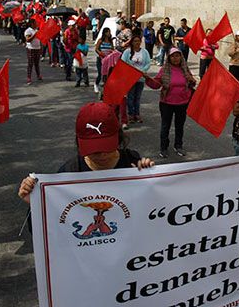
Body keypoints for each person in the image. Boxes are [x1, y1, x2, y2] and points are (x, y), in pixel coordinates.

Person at [17, 102, 155, 203]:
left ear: (119, 138)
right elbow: (49, 228)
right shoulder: (70, 172)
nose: (102, 155)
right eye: (94, 150)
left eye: (107, 147)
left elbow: (153, 206)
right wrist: (35, 201)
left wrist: (152, 176)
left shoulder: (132, 161)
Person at [145, 47, 197, 158]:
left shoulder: (185, 69)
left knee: (180, 126)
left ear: (181, 57)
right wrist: (148, 79)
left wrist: (192, 81)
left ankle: (178, 146)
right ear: (169, 58)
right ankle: (163, 148)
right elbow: (156, 84)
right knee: (165, 126)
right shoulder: (164, 70)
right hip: (166, 103)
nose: (175, 58)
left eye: (177, 55)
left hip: (182, 103)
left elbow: (190, 83)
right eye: (173, 56)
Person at [122, 35, 152, 123]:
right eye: (135, 41)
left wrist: (142, 71)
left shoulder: (145, 52)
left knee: (137, 97)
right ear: (132, 42)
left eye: (138, 41)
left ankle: (137, 114)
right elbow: (123, 62)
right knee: (130, 97)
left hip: (140, 78)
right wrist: (131, 72)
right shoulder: (127, 52)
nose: (137, 43)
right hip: (130, 78)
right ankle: (130, 114)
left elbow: (148, 63)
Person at [94, 27, 114, 94]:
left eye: (109, 32)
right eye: (108, 32)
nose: (109, 33)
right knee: (100, 73)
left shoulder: (110, 41)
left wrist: (112, 52)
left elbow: (112, 49)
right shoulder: (100, 40)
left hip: (108, 60)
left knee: (107, 74)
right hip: (101, 59)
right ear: (104, 33)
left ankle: (106, 88)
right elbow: (96, 49)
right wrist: (100, 53)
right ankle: (96, 84)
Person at [24, 19, 43, 85]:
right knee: (30, 63)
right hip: (31, 49)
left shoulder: (36, 30)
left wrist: (41, 48)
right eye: (35, 23)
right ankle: (29, 78)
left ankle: (38, 75)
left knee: (37, 63)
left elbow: (40, 39)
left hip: (37, 48)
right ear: (32, 24)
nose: (36, 24)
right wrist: (35, 35)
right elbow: (28, 40)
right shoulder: (28, 31)